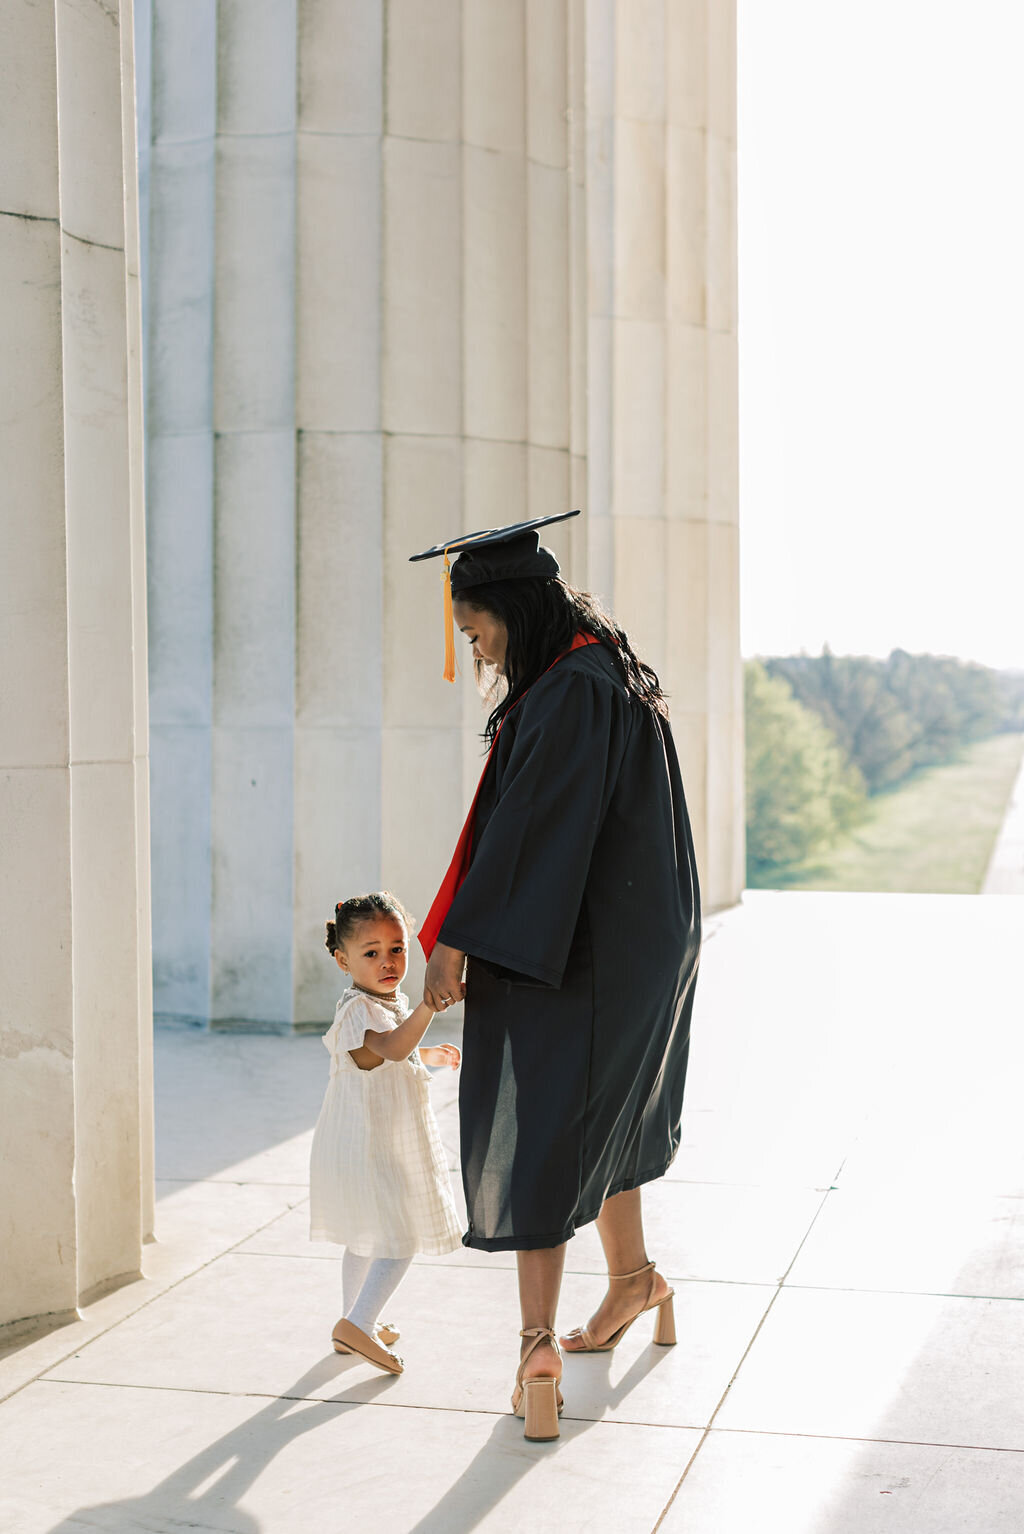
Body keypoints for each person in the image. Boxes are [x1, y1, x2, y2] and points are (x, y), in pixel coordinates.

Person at [410, 511, 701, 1441]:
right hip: (634, 940)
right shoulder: (599, 667)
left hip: (583, 949)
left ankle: (537, 1348)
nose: (478, 650)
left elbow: (529, 827)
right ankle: (633, 1283)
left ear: (511, 608)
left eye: (476, 630)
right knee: (606, 1112)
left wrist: (463, 939)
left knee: (539, 1124)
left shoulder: (573, 688)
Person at [308, 891, 463, 1375]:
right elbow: (390, 1049)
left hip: (373, 1145)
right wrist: (428, 1008)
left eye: (397, 948)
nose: (388, 961)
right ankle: (357, 1323)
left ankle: (356, 1322)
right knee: (400, 1237)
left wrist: (429, 1053)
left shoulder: (383, 1004)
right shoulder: (358, 1008)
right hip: (371, 1148)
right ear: (342, 960)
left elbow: (396, 1053)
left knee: (366, 1236)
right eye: (370, 953)